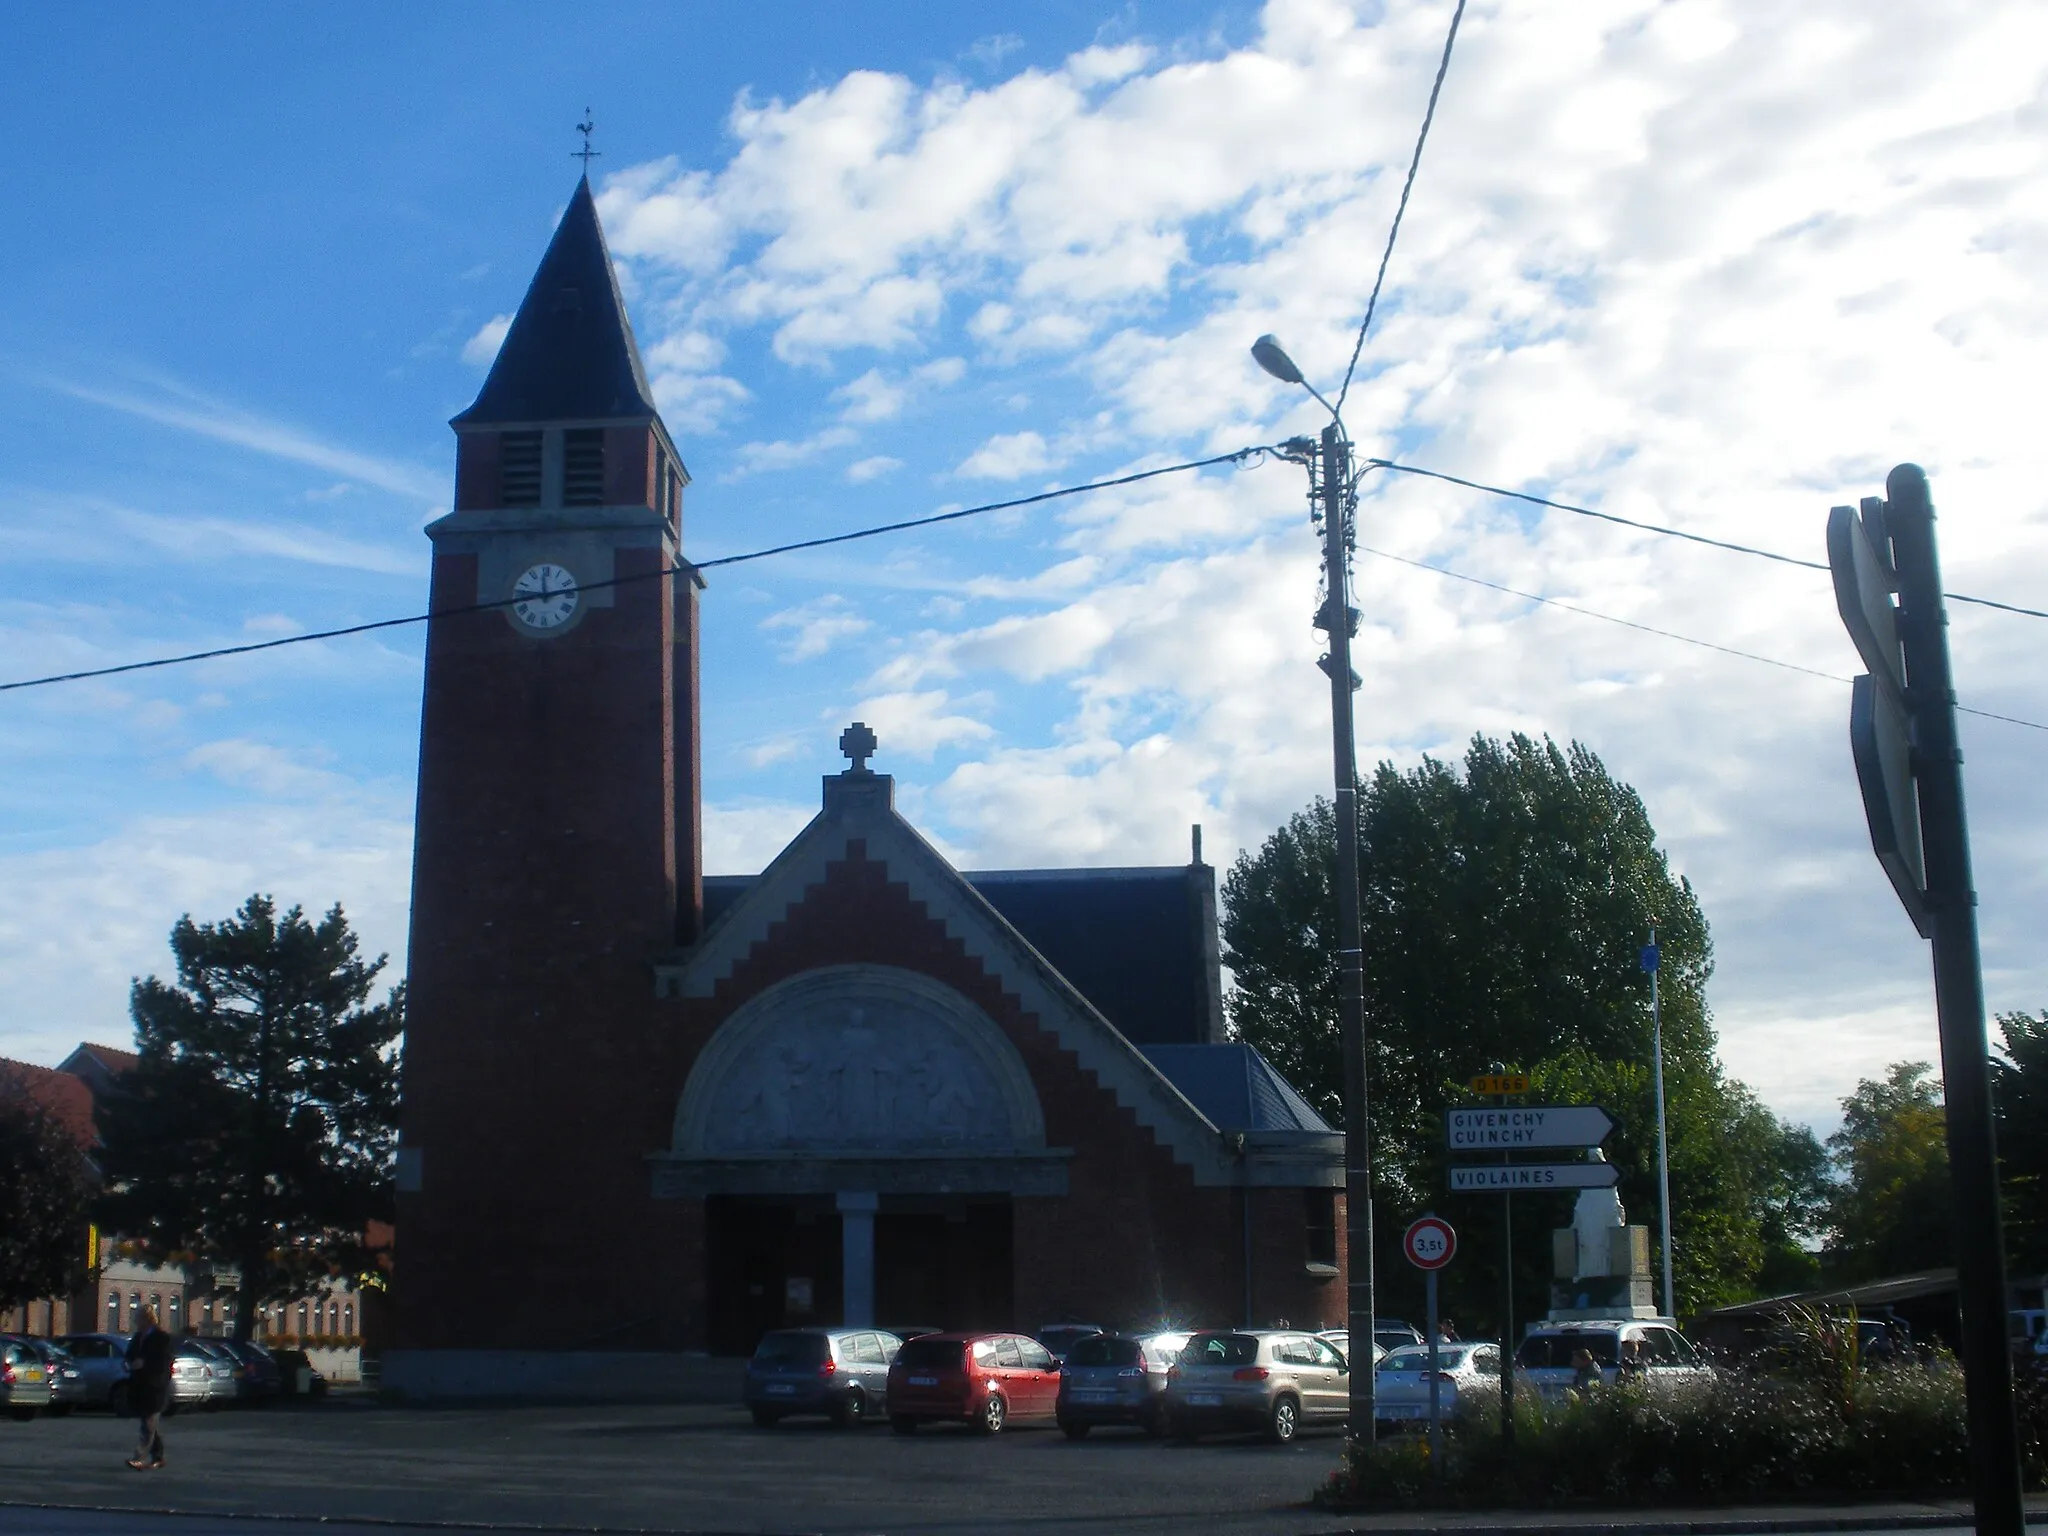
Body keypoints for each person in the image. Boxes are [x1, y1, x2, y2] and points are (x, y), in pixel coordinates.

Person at [123, 1305, 173, 1470]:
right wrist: (129, 1364)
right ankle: (159, 1456)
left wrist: (145, 1364)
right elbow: (129, 1355)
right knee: (150, 1423)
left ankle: (140, 1457)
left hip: (155, 1388)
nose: (136, 1322)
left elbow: (164, 1363)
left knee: (148, 1423)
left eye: (139, 1319)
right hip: (139, 1386)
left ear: (148, 1319)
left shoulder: (161, 1338)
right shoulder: (138, 1337)